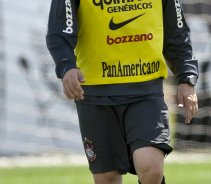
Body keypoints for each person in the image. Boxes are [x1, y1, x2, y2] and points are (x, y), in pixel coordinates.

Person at [46, 0, 199, 183]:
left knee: (150, 168)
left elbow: (177, 32)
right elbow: (58, 31)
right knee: (107, 177)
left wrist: (186, 77)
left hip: (145, 89)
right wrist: (67, 67)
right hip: (94, 93)